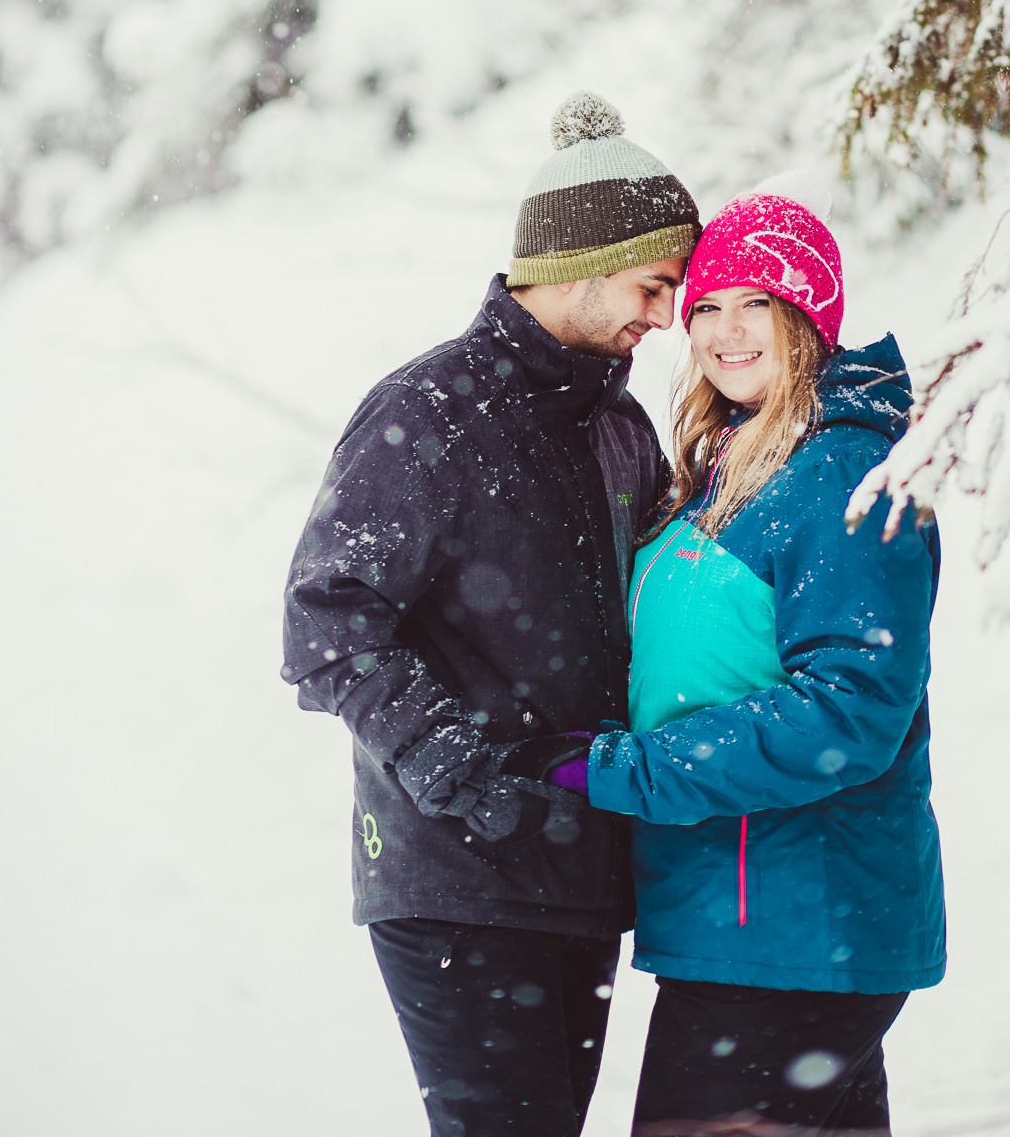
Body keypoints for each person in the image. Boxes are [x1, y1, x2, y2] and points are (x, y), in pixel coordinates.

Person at [281, 91, 701, 1137]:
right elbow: (326, 619)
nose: (665, 314)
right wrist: (463, 777)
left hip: (583, 867)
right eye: (654, 283)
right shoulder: (425, 412)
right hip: (458, 876)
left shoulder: (620, 425)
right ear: (585, 258)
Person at [562, 173, 945, 1137]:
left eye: (758, 306)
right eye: (710, 307)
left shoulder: (841, 471)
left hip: (788, 924)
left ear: (807, 318)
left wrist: (634, 768)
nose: (729, 330)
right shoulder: (730, 463)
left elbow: (850, 710)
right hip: (746, 922)